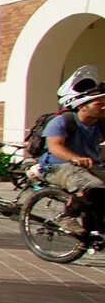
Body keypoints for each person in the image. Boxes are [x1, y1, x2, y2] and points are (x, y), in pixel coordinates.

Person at [40, 66, 105, 231]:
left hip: (87, 167)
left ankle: (94, 232)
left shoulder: (101, 125)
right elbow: (55, 147)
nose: (104, 107)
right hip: (56, 166)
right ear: (83, 105)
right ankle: (66, 217)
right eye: (99, 104)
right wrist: (75, 158)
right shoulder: (62, 121)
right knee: (93, 187)